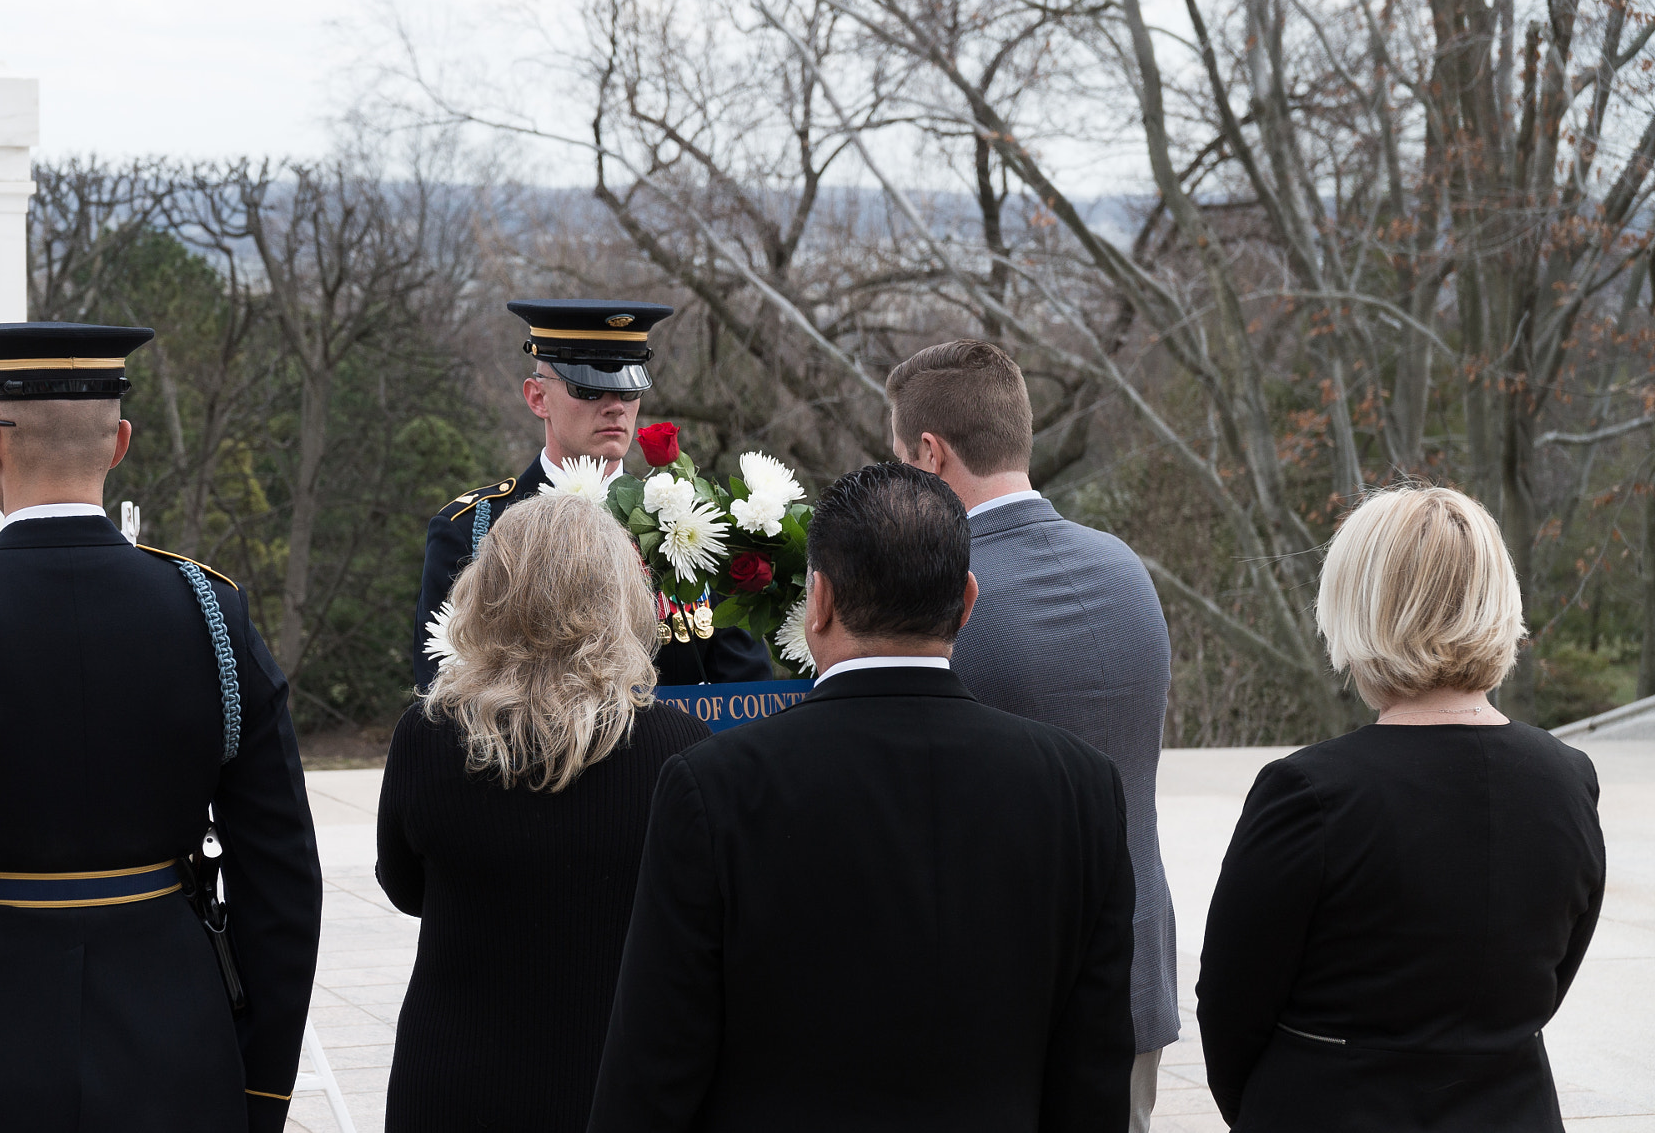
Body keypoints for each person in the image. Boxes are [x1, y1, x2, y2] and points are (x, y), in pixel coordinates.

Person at [0, 322, 323, 1133]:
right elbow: (285, 878)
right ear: (119, 442)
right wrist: (260, 1088)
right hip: (178, 1045)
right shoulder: (212, 616)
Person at [589, 462, 1135, 1132]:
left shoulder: (715, 788)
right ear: (967, 600)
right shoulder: (1081, 789)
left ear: (817, 600)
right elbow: (1094, 1076)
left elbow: (652, 1074)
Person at [1198, 486, 1606, 1131]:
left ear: (1359, 609)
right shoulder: (1568, 779)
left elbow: (1229, 1006)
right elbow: (1548, 980)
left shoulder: (1308, 792)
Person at [888, 338, 1178, 1127]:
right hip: (1130, 981)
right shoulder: (1126, 569)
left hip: (993, 1004)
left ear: (928, 450)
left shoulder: (937, 599)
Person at [379, 492, 711, 1131]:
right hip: (614, 1083)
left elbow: (404, 886)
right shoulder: (681, 748)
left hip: (455, 1084)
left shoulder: (427, 738)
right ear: (620, 599)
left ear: (484, 595)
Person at [412, 298, 772, 690]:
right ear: (537, 397)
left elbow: (745, 695)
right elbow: (442, 691)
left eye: (629, 391)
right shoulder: (473, 530)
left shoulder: (695, 523)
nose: (615, 407)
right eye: (588, 389)